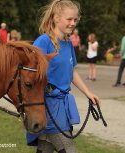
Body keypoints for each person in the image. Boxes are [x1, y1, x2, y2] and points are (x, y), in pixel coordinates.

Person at [26, 1, 100, 153]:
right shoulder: (43, 41)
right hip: (48, 104)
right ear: (56, 18)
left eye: (75, 20)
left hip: (62, 104)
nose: (73, 23)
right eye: (69, 19)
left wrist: (88, 93)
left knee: (45, 148)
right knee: (68, 149)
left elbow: (71, 72)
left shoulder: (68, 42)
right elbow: (30, 73)